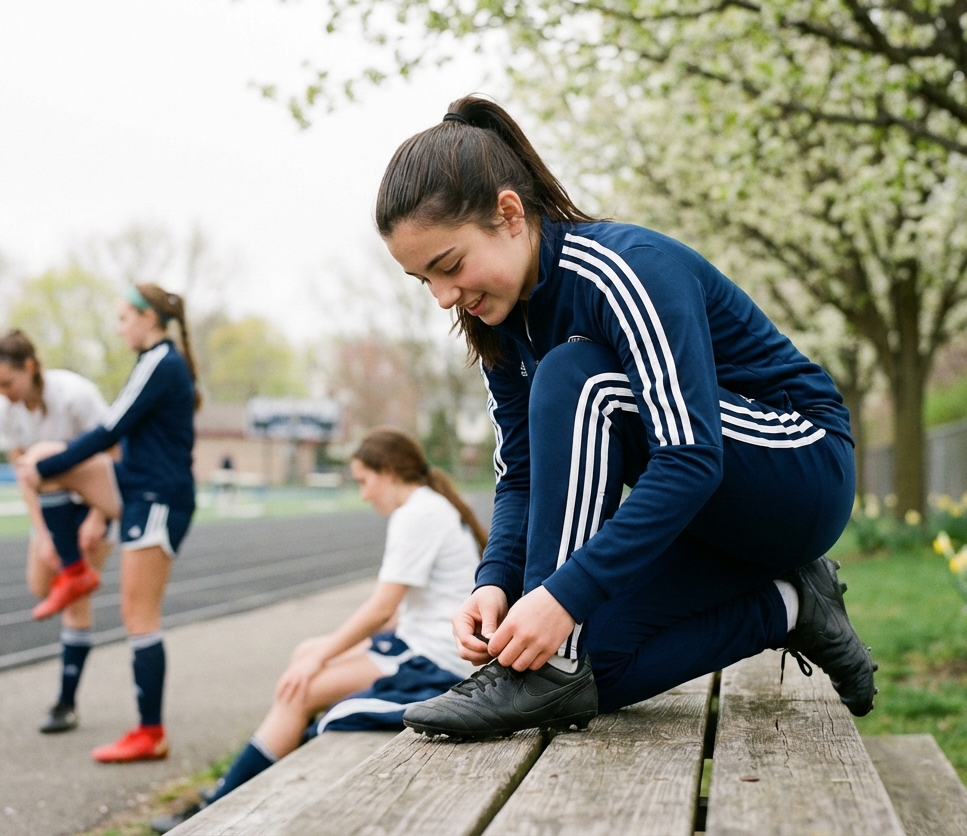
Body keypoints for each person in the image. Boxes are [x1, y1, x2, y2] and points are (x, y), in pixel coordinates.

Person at [371, 97, 878, 741]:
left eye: (449, 266)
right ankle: (793, 604)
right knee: (595, 669)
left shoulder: (622, 269)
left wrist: (558, 599)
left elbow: (689, 456)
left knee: (575, 375)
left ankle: (546, 665)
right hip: (713, 518)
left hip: (798, 470)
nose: (445, 297)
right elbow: (522, 476)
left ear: (508, 214)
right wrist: (496, 583)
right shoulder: (498, 317)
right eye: (425, 281)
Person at [150, 427, 485, 834]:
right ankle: (266, 776)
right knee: (304, 655)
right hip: (423, 644)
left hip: (436, 661)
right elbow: (403, 613)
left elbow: (382, 609)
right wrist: (322, 651)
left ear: (389, 472)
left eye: (364, 481)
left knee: (300, 689)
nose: (362, 494)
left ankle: (214, 808)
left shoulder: (417, 513)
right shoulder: (427, 506)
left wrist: (325, 655)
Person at [16, 283, 199, 763]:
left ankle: (150, 733)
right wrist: (46, 469)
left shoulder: (162, 361)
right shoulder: (154, 361)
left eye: (123, 318)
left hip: (158, 498)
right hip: (134, 486)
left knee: (139, 617)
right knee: (44, 461)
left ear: (148, 319)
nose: (118, 328)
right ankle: (74, 570)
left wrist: (45, 470)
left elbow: (109, 429)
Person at [0, 329, 113, 733]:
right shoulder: (3, 410)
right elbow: (24, 477)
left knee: (76, 602)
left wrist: (99, 517)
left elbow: (113, 453)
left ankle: (66, 703)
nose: (2, 393)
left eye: (8, 383)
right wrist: (43, 534)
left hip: (90, 500)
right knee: (41, 585)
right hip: (50, 507)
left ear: (30, 368)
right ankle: (71, 569)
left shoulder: (76, 395)